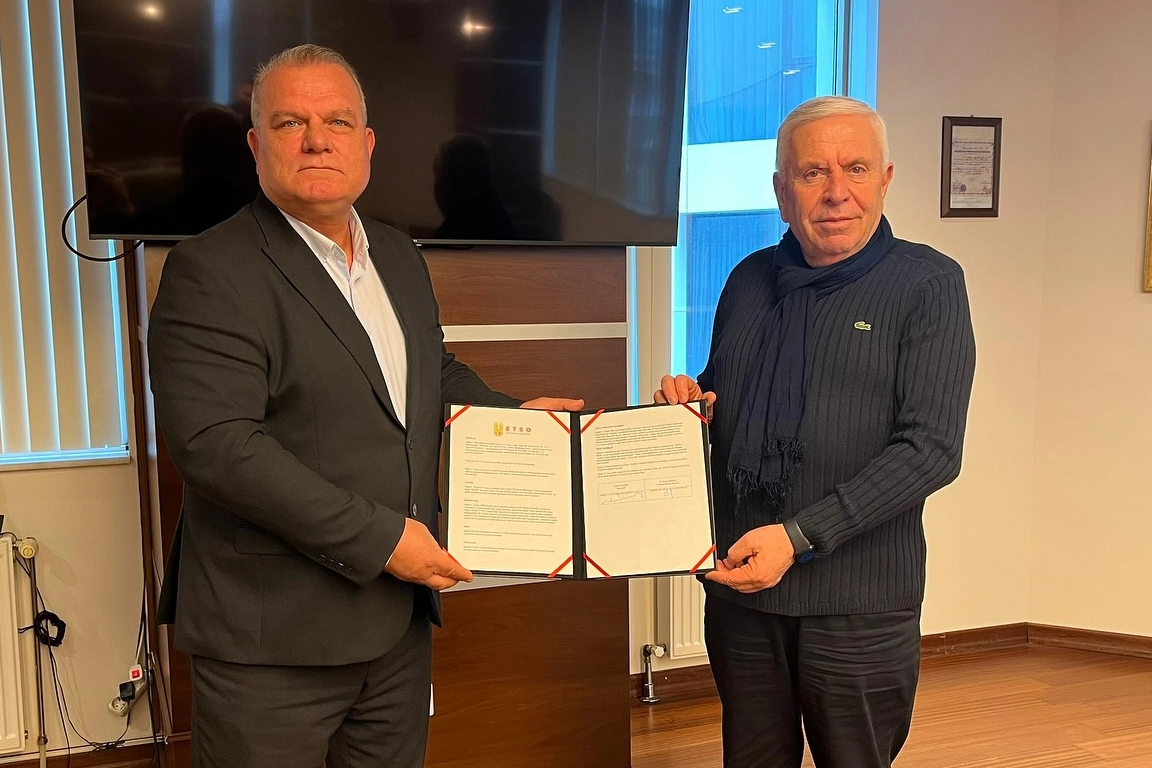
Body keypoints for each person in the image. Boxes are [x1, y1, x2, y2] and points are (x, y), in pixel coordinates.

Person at [148, 44, 582, 768]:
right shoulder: (209, 270)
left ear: (368, 143)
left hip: (394, 628)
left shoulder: (397, 253)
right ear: (256, 145)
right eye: (291, 122)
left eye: (338, 121)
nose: (317, 139)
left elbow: (427, 374)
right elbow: (219, 446)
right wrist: (384, 541)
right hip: (272, 640)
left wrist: (511, 419)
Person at [655, 95, 976, 768]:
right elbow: (729, 400)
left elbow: (931, 450)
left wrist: (798, 538)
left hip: (859, 603)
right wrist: (689, 407)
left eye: (855, 169)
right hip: (742, 594)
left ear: (885, 179)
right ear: (781, 191)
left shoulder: (928, 285)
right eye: (812, 173)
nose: (836, 192)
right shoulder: (748, 280)